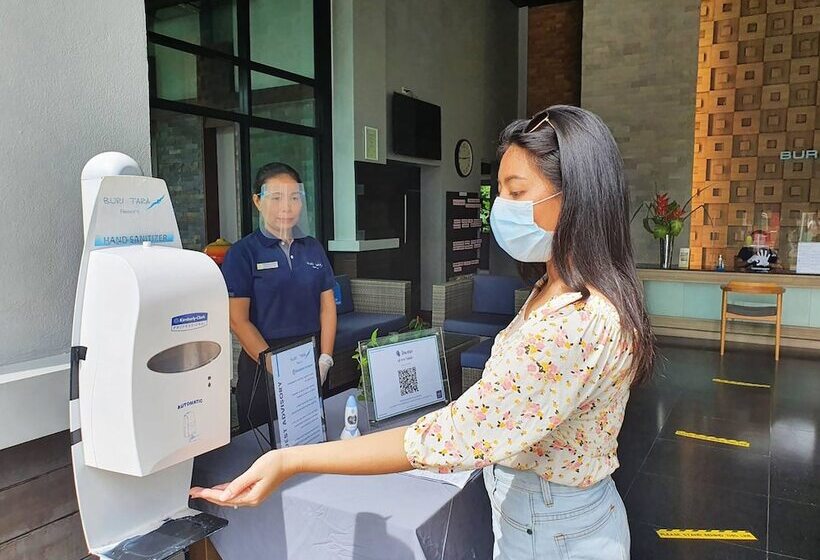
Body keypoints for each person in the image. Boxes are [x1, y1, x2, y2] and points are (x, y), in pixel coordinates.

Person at [192, 107, 655, 559]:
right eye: (501, 194)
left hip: (555, 531)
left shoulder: (575, 321)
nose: (500, 210)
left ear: (575, 197)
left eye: (517, 193)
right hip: (540, 516)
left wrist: (292, 460)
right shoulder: (553, 286)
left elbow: (456, 435)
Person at [221, 162, 337, 433]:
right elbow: (237, 321)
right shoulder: (243, 253)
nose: (287, 206)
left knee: (310, 438)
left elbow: (327, 307)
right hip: (263, 366)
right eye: (276, 198)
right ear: (257, 201)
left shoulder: (313, 248)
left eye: (294, 198)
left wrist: (326, 359)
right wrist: (278, 368)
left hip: (310, 361)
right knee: (261, 449)